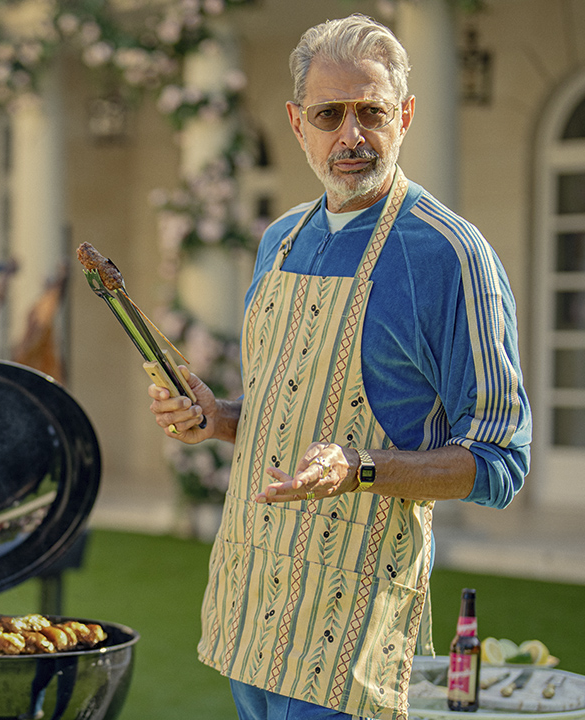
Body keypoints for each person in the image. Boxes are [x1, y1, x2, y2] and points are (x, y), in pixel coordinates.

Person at [147, 14, 530, 720]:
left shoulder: (452, 254)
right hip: (250, 607)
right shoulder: (281, 239)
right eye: (330, 114)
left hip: (353, 633)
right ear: (298, 124)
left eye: (371, 112)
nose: (351, 135)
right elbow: (289, 412)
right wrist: (218, 418)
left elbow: (502, 460)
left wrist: (362, 467)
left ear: (405, 116)